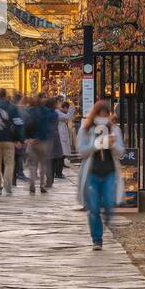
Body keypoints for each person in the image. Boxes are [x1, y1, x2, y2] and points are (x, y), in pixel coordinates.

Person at [77, 100, 125, 250]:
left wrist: (112, 144)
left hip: (110, 171)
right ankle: (97, 239)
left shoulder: (114, 129)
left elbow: (121, 151)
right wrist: (97, 144)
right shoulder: (86, 129)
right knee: (93, 208)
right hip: (92, 172)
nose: (103, 118)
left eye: (106, 114)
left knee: (110, 202)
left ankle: (107, 219)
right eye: (100, 114)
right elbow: (81, 150)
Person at [0, 87, 23, 195]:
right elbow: (18, 124)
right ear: (6, 96)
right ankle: (7, 184)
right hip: (9, 139)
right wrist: (19, 139)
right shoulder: (12, 108)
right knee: (9, 163)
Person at [24, 95, 57, 194]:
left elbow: (26, 125)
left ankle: (32, 185)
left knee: (32, 165)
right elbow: (48, 127)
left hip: (32, 141)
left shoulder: (29, 111)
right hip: (43, 141)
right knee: (43, 165)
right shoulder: (46, 111)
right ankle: (42, 186)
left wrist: (28, 138)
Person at [53, 98, 73, 178]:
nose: (61, 104)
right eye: (60, 102)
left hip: (61, 133)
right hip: (60, 134)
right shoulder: (57, 112)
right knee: (61, 154)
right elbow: (67, 117)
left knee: (60, 154)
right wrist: (72, 109)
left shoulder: (57, 112)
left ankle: (58, 172)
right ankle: (58, 173)